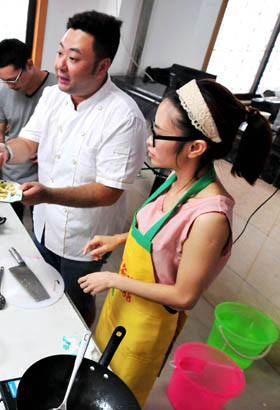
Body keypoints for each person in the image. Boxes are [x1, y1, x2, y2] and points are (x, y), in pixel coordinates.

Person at [79, 79, 272, 406]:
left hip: (145, 328)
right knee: (96, 381)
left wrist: (113, 278)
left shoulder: (210, 217)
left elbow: (184, 295)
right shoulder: (177, 178)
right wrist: (119, 238)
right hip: (121, 308)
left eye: (158, 133)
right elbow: (163, 234)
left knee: (117, 397)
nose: (149, 140)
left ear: (195, 147)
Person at [0, 11, 147, 327]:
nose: (59, 65)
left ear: (102, 66)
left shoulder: (124, 116)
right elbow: (30, 142)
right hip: (45, 224)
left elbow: (108, 192)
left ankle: (75, 344)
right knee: (43, 286)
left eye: (73, 58)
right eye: (59, 53)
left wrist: (47, 194)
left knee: (77, 299)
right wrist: (4, 149)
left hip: (86, 237)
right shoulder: (54, 95)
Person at [0, 39, 57, 221]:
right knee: (10, 229)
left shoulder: (57, 89)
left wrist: (49, 149)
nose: (10, 86)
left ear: (29, 64)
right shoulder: (4, 93)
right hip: (11, 176)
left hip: (45, 179)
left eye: (13, 79)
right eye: (4, 81)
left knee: (43, 231)